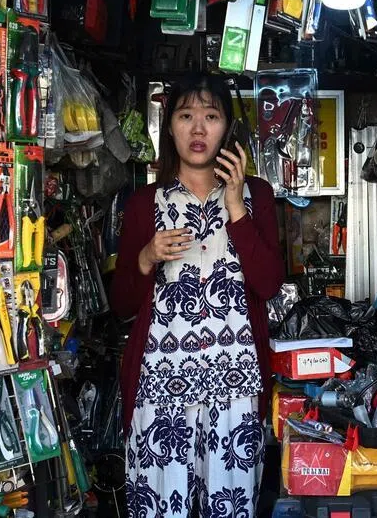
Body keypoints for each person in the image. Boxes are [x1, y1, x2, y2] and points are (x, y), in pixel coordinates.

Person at [111, 73, 284, 518]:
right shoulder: (144, 204)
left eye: (211, 116)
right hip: (161, 385)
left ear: (228, 128)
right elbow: (121, 305)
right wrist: (146, 256)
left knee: (231, 508)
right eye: (186, 116)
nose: (199, 129)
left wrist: (236, 207)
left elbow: (268, 284)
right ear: (169, 127)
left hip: (236, 385)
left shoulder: (257, 196)